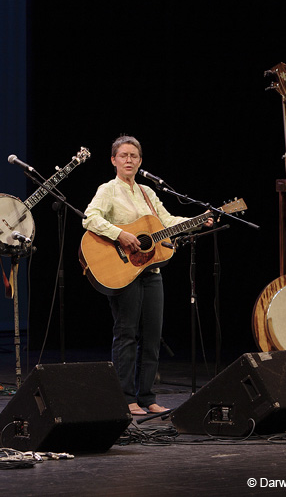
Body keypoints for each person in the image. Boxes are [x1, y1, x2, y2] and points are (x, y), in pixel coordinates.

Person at [82, 135, 211, 416]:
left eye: (134, 156)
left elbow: (167, 222)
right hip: (123, 270)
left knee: (152, 336)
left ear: (140, 162)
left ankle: (147, 396)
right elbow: (90, 218)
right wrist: (121, 234)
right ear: (114, 160)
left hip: (150, 270)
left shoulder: (147, 193)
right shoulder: (108, 190)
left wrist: (198, 219)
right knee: (126, 333)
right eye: (124, 155)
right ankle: (126, 398)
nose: (129, 160)